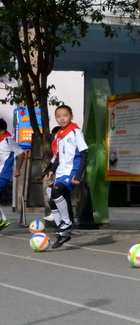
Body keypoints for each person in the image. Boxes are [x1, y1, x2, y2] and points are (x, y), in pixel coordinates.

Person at [42, 105, 88, 249]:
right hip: (62, 171)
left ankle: (67, 223)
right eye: (59, 116)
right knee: (51, 195)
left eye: (65, 115)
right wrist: (52, 170)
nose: (62, 118)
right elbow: (58, 157)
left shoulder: (75, 132)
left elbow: (85, 153)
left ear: (71, 116)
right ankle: (63, 234)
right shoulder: (59, 134)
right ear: (55, 118)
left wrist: (79, 175)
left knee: (56, 191)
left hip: (72, 172)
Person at [0, 118, 26, 230]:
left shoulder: (8, 140)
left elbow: (21, 154)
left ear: (2, 130)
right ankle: (3, 220)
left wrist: (18, 170)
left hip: (4, 174)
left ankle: (3, 220)